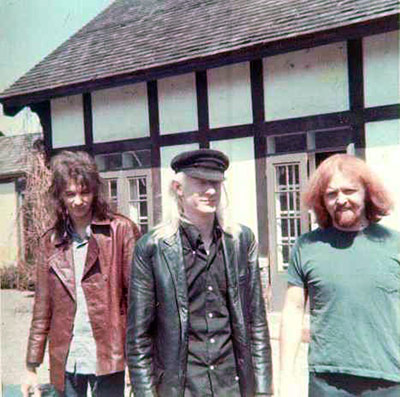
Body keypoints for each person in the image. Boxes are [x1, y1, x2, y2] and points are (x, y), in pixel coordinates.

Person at [126, 149, 273, 396]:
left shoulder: (240, 241)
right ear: (178, 188)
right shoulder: (152, 248)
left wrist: (263, 390)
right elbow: (139, 338)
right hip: (182, 388)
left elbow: (257, 322)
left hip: (233, 386)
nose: (211, 191)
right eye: (201, 182)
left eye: (216, 182)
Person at [21, 151, 141, 396]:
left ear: (95, 191)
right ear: (60, 197)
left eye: (84, 192)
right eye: (70, 194)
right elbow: (42, 308)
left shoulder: (121, 231)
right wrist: (31, 366)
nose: (78, 201)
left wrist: (135, 361)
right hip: (68, 357)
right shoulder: (50, 241)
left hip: (110, 356)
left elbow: (137, 303)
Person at [279, 154, 400, 397]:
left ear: (367, 193)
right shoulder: (307, 246)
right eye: (331, 194)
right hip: (326, 382)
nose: (341, 200)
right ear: (321, 200)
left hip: (388, 380)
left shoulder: (394, 244)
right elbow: (292, 312)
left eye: (349, 191)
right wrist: (284, 380)